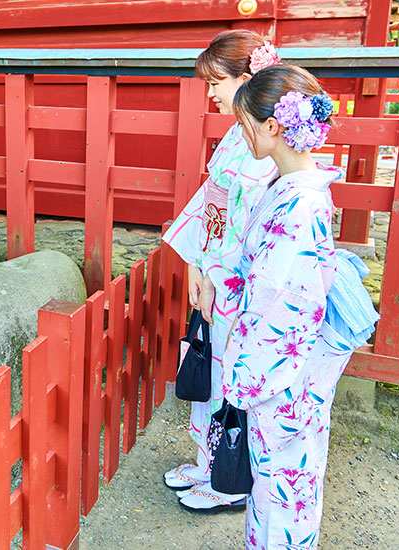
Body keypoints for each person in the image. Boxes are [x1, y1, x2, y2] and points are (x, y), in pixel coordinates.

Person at [225, 64, 376, 548]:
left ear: (272, 127)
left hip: (284, 373)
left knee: (283, 489)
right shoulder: (296, 188)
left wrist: (243, 376)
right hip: (294, 365)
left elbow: (283, 303)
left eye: (244, 123)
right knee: (284, 483)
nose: (240, 132)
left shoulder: (299, 204)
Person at [161, 30, 280, 512]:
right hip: (214, 263)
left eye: (217, 80)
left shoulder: (261, 137)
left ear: (248, 78)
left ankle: (229, 479)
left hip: (235, 276)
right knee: (213, 370)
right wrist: (194, 262)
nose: (209, 91)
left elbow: (243, 224)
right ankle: (208, 461)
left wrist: (211, 272)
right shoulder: (238, 130)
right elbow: (211, 201)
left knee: (231, 375)